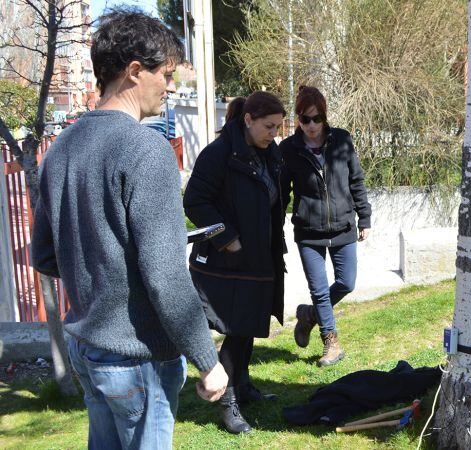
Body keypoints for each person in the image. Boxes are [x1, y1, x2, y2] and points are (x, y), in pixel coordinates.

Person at [31, 9, 228, 449]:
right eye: (167, 74)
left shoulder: (58, 151)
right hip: (137, 358)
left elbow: (44, 256)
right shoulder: (146, 149)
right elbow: (165, 275)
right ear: (135, 71)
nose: (173, 86)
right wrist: (207, 360)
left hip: (87, 348)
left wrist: (98, 267)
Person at [183, 91, 287, 434]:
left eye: (278, 127)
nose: (274, 133)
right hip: (227, 261)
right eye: (268, 126)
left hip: (261, 256)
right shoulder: (219, 155)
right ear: (247, 119)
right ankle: (226, 402)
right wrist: (227, 238)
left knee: (250, 327)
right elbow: (195, 201)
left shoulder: (269, 152)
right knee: (237, 329)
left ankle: (241, 384)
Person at [280, 86, 372, 367]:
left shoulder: (341, 140)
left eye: (316, 119)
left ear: (324, 117)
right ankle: (331, 343)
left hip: (343, 225)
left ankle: (308, 315)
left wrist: (364, 217)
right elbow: (283, 192)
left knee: (347, 282)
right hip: (309, 231)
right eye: (304, 119)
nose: (310, 126)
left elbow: (356, 179)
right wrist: (273, 227)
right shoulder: (289, 149)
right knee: (319, 291)